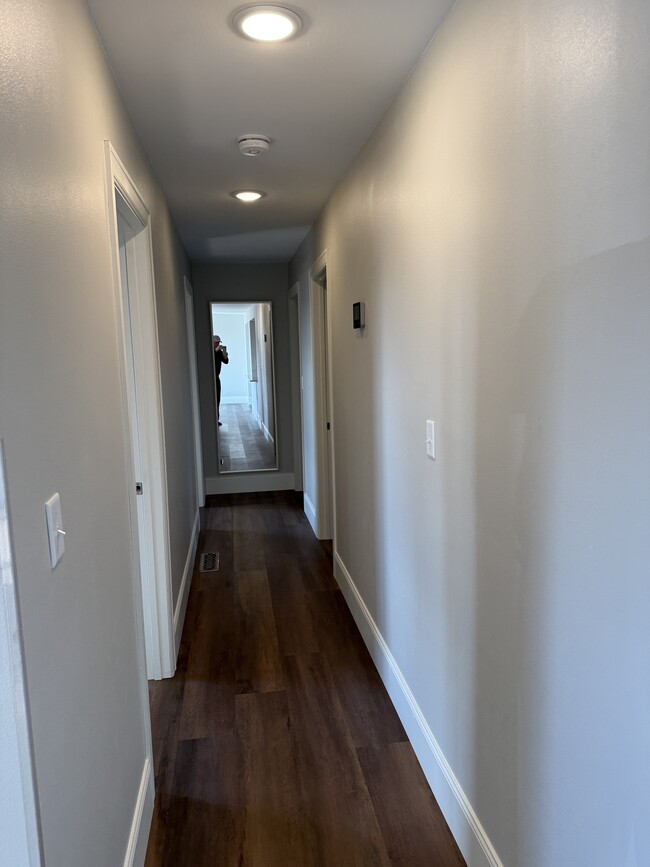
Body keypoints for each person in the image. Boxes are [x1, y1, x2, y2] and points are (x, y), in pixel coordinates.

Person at [213, 336, 229, 425]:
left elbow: (226, 362)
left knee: (217, 399)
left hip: (216, 378)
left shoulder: (219, 352)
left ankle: (216, 419)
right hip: (210, 379)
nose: (218, 344)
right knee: (213, 399)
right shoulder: (210, 351)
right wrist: (215, 351)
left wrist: (225, 355)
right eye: (216, 343)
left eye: (218, 343)